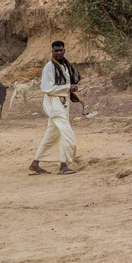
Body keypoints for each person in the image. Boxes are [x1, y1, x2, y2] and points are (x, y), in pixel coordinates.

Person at [29, 40, 80, 175]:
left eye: (60, 50)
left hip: (63, 104)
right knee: (66, 133)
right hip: (54, 106)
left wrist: (70, 87)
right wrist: (68, 87)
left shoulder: (65, 65)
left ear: (64, 50)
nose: (58, 53)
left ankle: (35, 163)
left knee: (51, 135)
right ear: (52, 51)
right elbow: (47, 88)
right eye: (56, 51)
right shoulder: (49, 67)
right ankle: (64, 165)